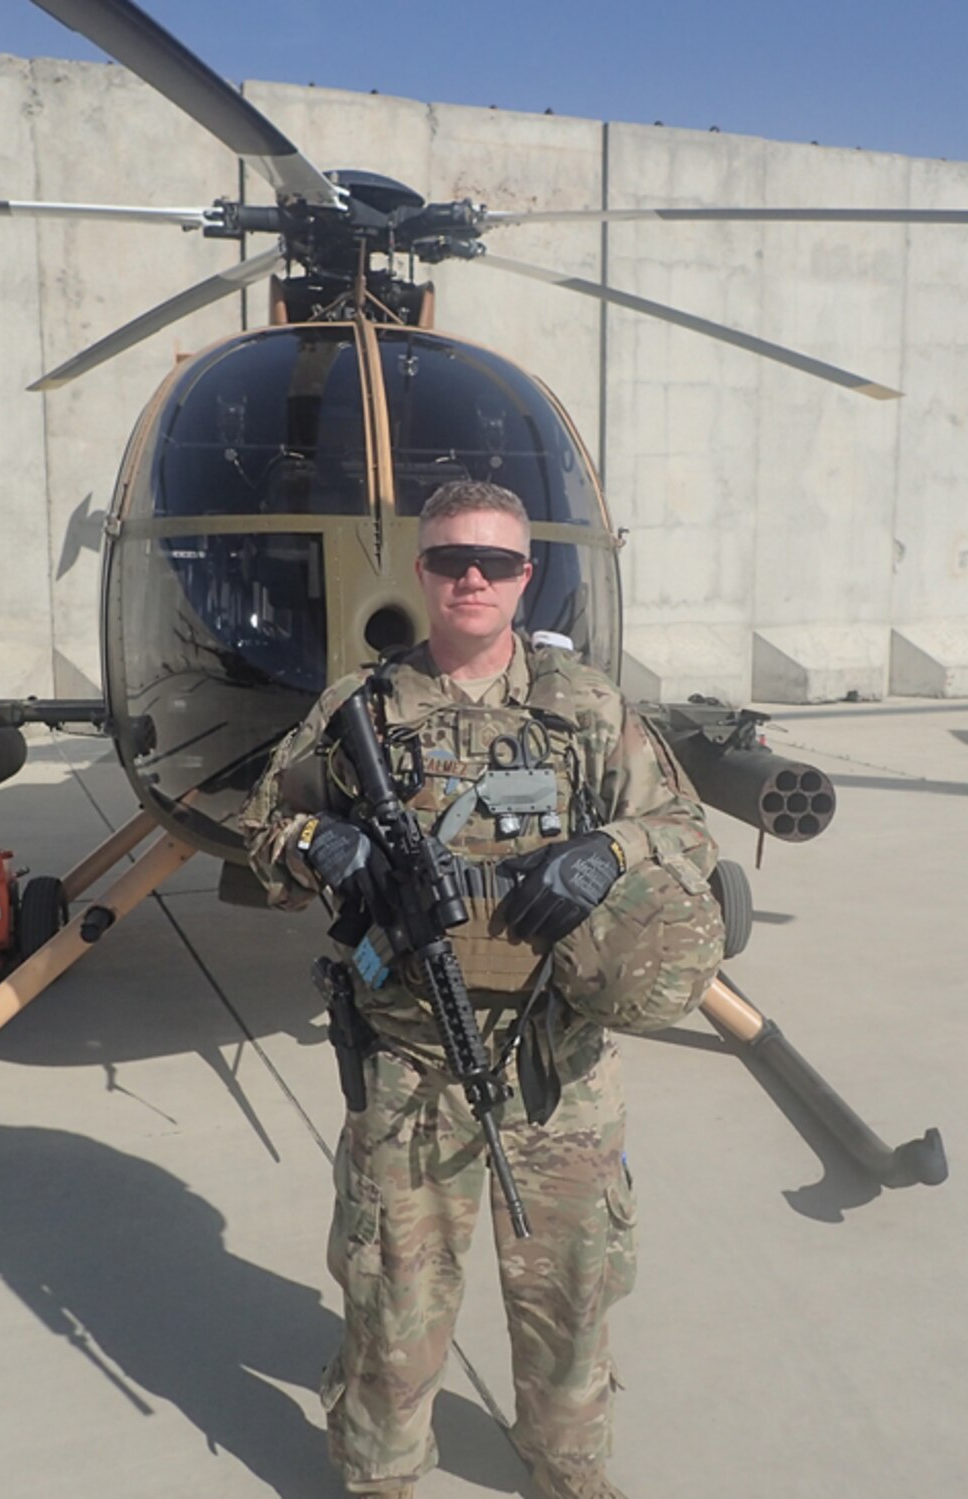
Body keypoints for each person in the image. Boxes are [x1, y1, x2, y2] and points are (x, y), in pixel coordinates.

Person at [239, 479, 724, 1499]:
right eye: (451, 558)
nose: (471, 577)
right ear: (419, 570)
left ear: (525, 577)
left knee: (571, 1302)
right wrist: (317, 839)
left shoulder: (584, 706)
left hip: (560, 1071)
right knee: (391, 1306)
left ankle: (569, 1474)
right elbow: (255, 837)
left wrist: (607, 845)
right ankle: (379, 1479)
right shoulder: (357, 709)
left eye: (494, 562)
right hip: (409, 1068)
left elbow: (685, 835)